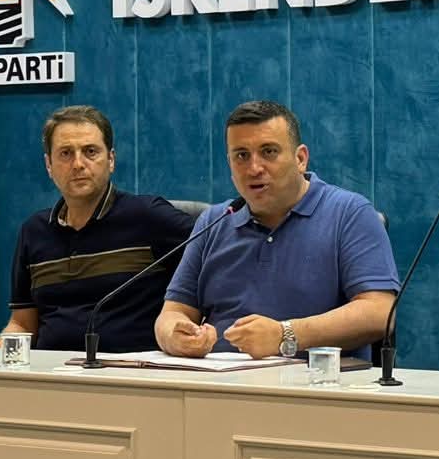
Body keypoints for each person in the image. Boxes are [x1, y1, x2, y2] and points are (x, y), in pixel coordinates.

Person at [0, 105, 195, 355]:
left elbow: (212, 249)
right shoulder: (34, 231)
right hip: (48, 371)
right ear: (48, 165)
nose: (78, 164)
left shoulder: (148, 216)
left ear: (111, 160)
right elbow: (23, 325)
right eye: (65, 154)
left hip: (127, 372)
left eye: (90, 151)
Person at [155, 100, 398, 359]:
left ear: (300, 158)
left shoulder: (349, 213)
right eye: (241, 155)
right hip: (218, 378)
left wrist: (285, 334)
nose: (254, 168)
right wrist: (176, 337)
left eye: (269, 152)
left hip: (312, 380)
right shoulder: (214, 221)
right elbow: (173, 313)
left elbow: (380, 312)